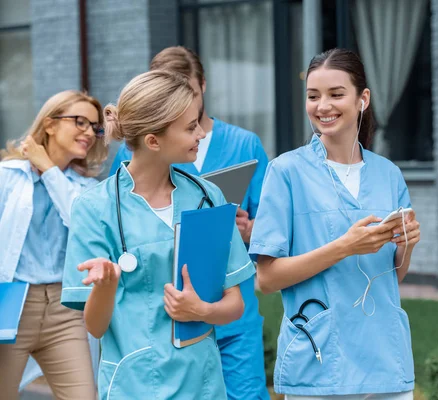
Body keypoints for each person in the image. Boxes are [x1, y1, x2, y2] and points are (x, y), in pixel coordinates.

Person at [60, 70, 255, 399]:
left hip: (202, 383)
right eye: (191, 127)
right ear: (153, 140)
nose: (200, 135)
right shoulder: (95, 208)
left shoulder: (208, 198)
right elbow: (94, 326)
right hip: (135, 384)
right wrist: (106, 286)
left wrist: (201, 311)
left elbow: (235, 304)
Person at [249, 48, 420, 399]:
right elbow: (266, 280)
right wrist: (345, 246)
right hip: (321, 363)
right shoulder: (286, 172)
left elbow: (391, 278)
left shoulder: (389, 174)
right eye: (313, 96)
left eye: (336, 94)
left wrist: (407, 245)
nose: (322, 106)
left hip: (386, 360)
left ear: (363, 99)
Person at [109, 46, 270, 399]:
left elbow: (274, 230)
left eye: (190, 95)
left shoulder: (244, 144)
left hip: (232, 312)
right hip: (168, 320)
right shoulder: (134, 153)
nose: (183, 108)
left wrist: (246, 230)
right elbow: (117, 221)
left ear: (204, 86)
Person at [0, 90, 108, 400]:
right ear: (49, 124)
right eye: (79, 122)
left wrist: (48, 169)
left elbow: (82, 223)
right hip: (12, 307)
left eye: (94, 126)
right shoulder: (7, 176)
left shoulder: (87, 189)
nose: (88, 132)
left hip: (65, 310)